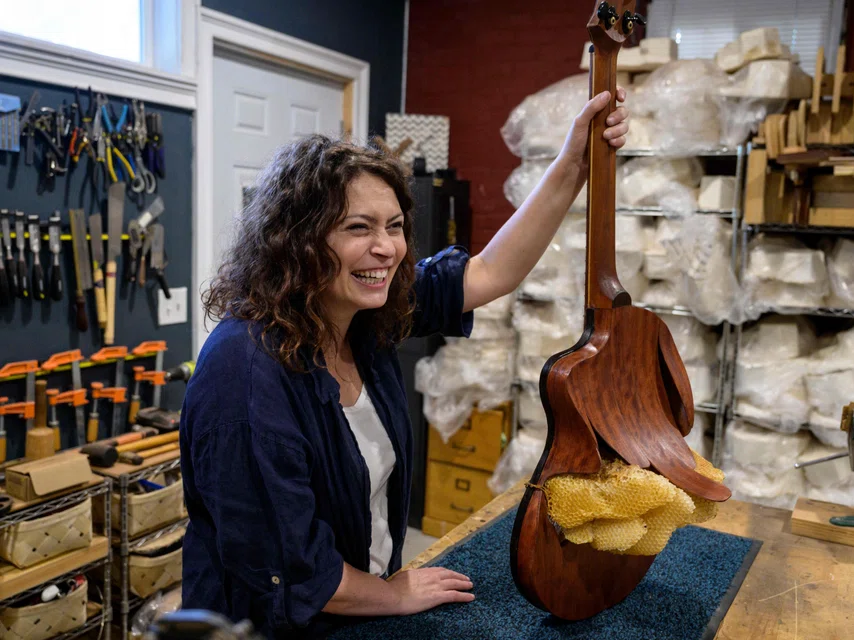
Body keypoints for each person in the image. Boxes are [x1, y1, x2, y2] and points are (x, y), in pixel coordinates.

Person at [179, 87, 629, 638]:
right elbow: (289, 573)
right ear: (295, 243)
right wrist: (392, 594)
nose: (387, 248)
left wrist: (572, 166)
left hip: (357, 608)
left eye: (393, 226)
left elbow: (489, 274)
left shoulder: (363, 316)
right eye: (357, 228)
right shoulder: (244, 375)